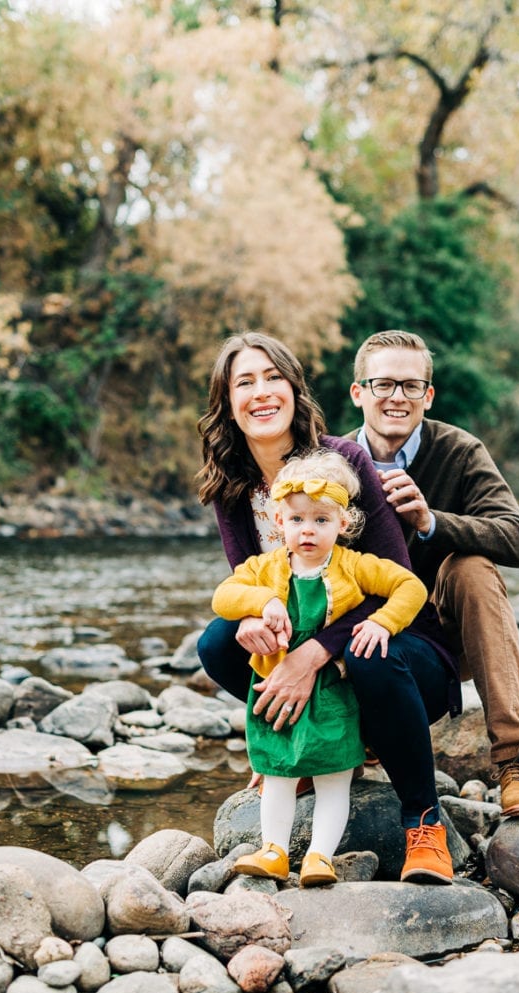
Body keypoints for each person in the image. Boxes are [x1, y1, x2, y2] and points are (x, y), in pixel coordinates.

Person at [196, 331, 461, 884]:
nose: (262, 392)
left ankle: (424, 823)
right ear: (227, 401)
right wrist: (253, 616)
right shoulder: (233, 484)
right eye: (245, 382)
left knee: (368, 653)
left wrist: (313, 653)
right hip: (309, 654)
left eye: (273, 378)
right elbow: (245, 580)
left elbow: (398, 584)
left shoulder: (343, 460)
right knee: (219, 642)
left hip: (403, 653)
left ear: (295, 389)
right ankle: (309, 749)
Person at [347, 329, 519, 817]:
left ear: (428, 395)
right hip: (364, 637)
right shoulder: (335, 460)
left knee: (472, 568)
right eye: (383, 385)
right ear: (359, 392)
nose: (397, 397)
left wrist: (431, 521)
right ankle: (349, 739)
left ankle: (515, 761)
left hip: (442, 634)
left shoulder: (459, 451)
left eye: (411, 386)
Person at [211, 449, 430, 886]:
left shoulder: (354, 566)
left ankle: (319, 856)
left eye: (321, 521)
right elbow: (223, 597)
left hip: (331, 693)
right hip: (278, 688)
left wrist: (382, 622)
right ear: (278, 523)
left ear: (343, 524)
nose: (307, 531)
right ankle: (273, 849)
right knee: (276, 772)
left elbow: (410, 586)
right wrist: (263, 602)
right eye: (296, 521)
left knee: (333, 778)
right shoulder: (264, 569)